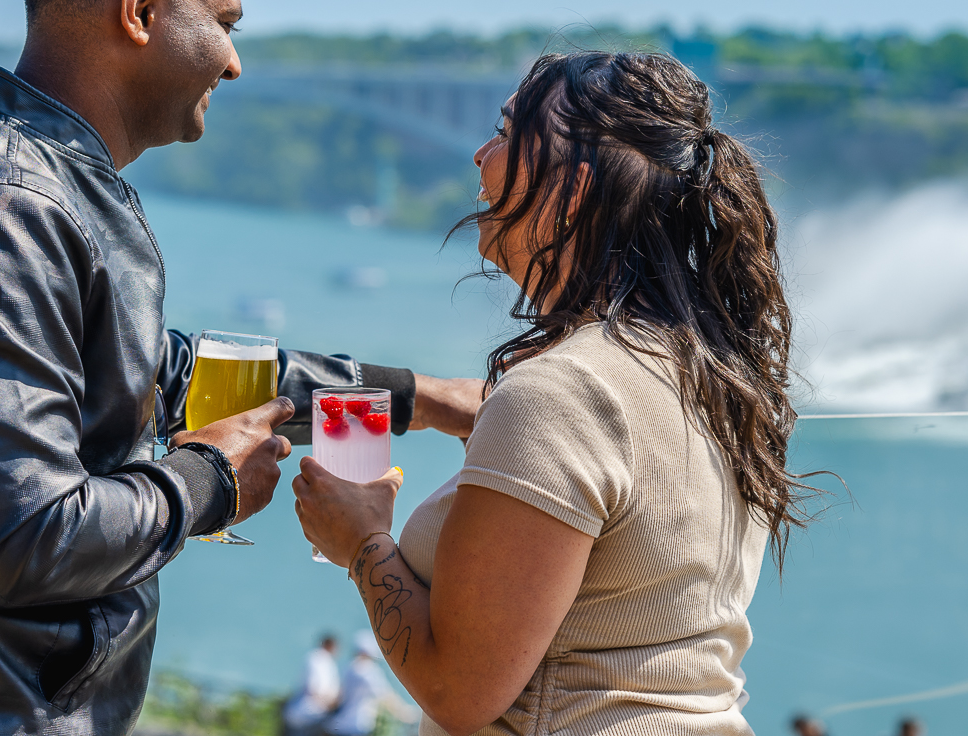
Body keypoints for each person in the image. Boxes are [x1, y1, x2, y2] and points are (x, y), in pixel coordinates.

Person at [0, 0, 483, 736]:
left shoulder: (27, 172)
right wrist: (207, 480)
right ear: (141, 7)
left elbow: (148, 370)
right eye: (225, 21)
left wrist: (419, 398)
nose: (236, 62)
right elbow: (21, 543)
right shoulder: (0, 207)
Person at [295, 50, 811, 735]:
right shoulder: (708, 374)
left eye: (508, 133)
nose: (480, 153)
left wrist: (360, 540)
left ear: (570, 193)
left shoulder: (562, 392)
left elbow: (459, 691)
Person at [325, 631, 405, 736]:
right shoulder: (366, 669)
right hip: (355, 726)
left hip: (340, 725)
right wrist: (406, 714)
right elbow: (386, 696)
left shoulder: (350, 667)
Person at [284, 634, 340, 736]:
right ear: (331, 646)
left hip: (305, 713)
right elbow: (314, 689)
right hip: (308, 713)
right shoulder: (319, 659)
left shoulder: (317, 658)